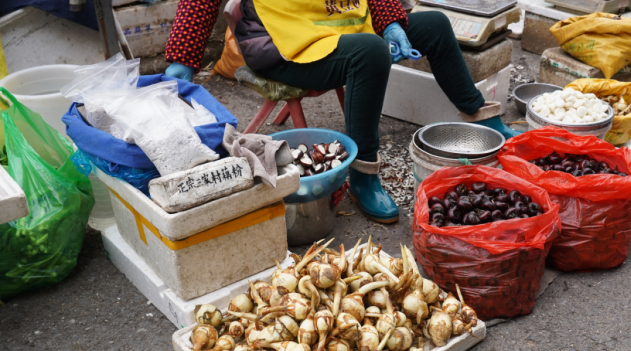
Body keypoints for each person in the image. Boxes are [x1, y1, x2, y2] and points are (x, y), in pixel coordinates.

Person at [165, 0, 520, 224]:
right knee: (370, 51)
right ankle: (363, 175)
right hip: (281, 43)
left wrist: (391, 23)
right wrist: (184, 57)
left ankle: (482, 117)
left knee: (436, 25)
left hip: (340, 26)